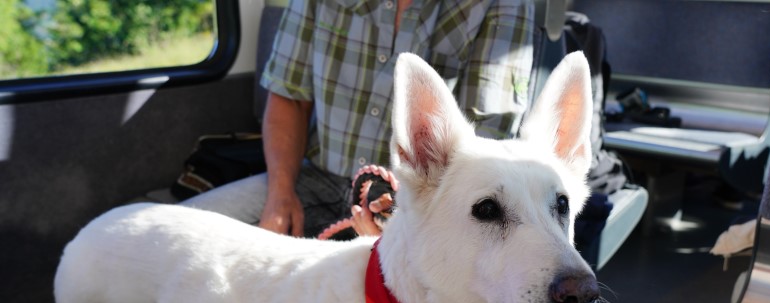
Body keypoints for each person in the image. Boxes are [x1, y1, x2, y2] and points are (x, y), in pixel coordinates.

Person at [184, 0, 536, 238]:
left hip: (426, 205)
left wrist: (403, 221)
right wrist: (280, 194)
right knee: (186, 233)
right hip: (314, 177)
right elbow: (289, 97)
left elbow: (486, 148)